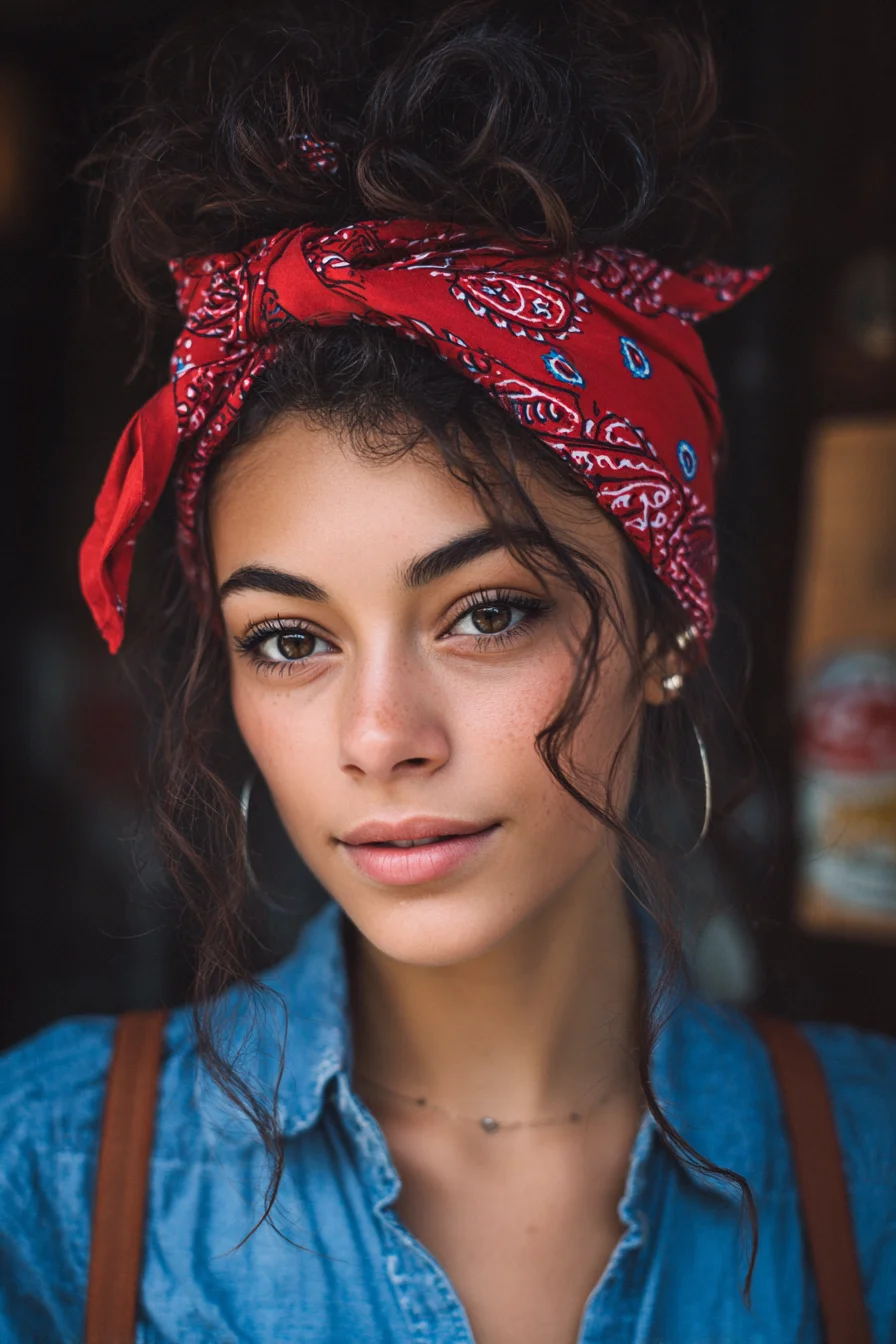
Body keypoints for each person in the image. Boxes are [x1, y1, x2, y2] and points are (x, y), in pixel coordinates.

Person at [1, 3, 894, 1341]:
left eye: (487, 614)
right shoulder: (52, 1182)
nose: (380, 736)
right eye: (289, 640)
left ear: (669, 627)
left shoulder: (870, 1172)